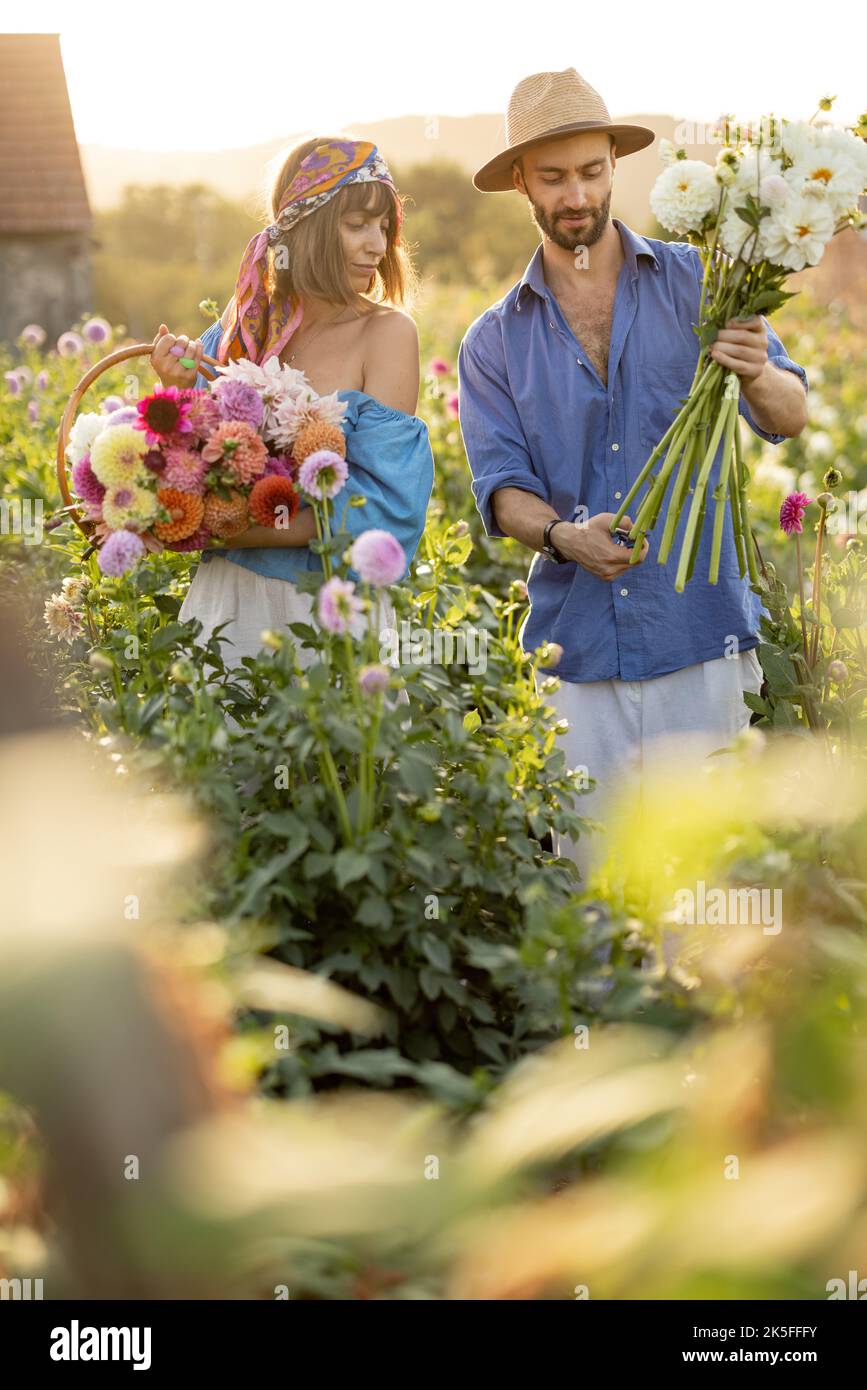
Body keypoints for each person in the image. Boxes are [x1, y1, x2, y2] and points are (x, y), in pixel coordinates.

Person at [457, 69, 809, 883]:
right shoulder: (493, 339)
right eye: (552, 177)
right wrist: (561, 536)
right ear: (520, 182)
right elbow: (502, 488)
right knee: (593, 895)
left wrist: (756, 371)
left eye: (589, 170)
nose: (575, 193)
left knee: (705, 889)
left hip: (698, 632)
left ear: (614, 164)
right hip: (574, 652)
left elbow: (788, 415)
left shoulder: (703, 281)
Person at [149, 136, 434, 670]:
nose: (378, 244)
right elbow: (190, 466)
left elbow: (377, 510)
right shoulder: (246, 324)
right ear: (308, 225)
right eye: (357, 225)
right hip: (226, 606)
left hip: (327, 610)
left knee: (330, 752)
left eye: (384, 227)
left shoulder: (387, 333)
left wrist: (215, 525)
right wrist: (175, 393)